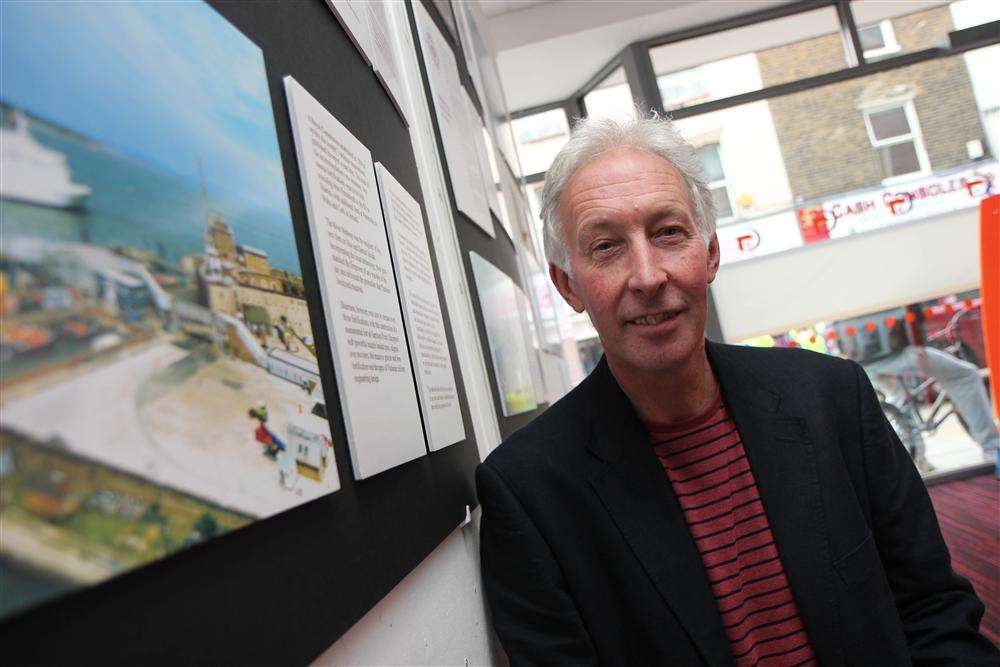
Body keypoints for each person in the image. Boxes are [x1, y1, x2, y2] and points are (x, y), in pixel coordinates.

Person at [476, 112, 997, 665]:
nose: (649, 276)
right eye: (607, 246)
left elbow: (933, 611)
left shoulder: (831, 399)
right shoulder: (530, 492)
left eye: (668, 233)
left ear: (711, 254)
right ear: (568, 286)